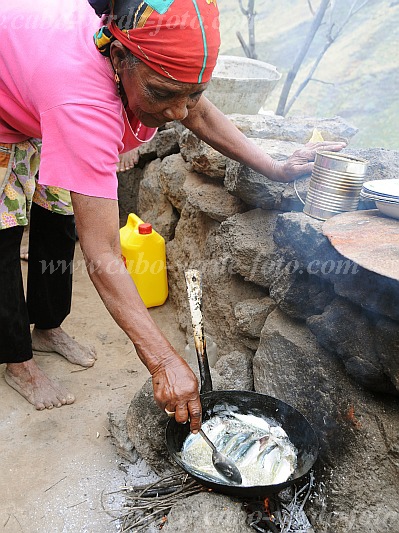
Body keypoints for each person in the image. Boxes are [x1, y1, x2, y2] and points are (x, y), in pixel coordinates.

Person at [0, 0, 345, 433]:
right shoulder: (83, 103)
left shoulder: (148, 56)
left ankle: (47, 327)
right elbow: (103, 251)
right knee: (5, 231)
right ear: (120, 58)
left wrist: (275, 169)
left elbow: (197, 111)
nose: (179, 112)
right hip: (8, 106)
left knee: (58, 214)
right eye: (162, 93)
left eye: (193, 92)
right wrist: (162, 359)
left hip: (40, 90)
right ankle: (17, 359)